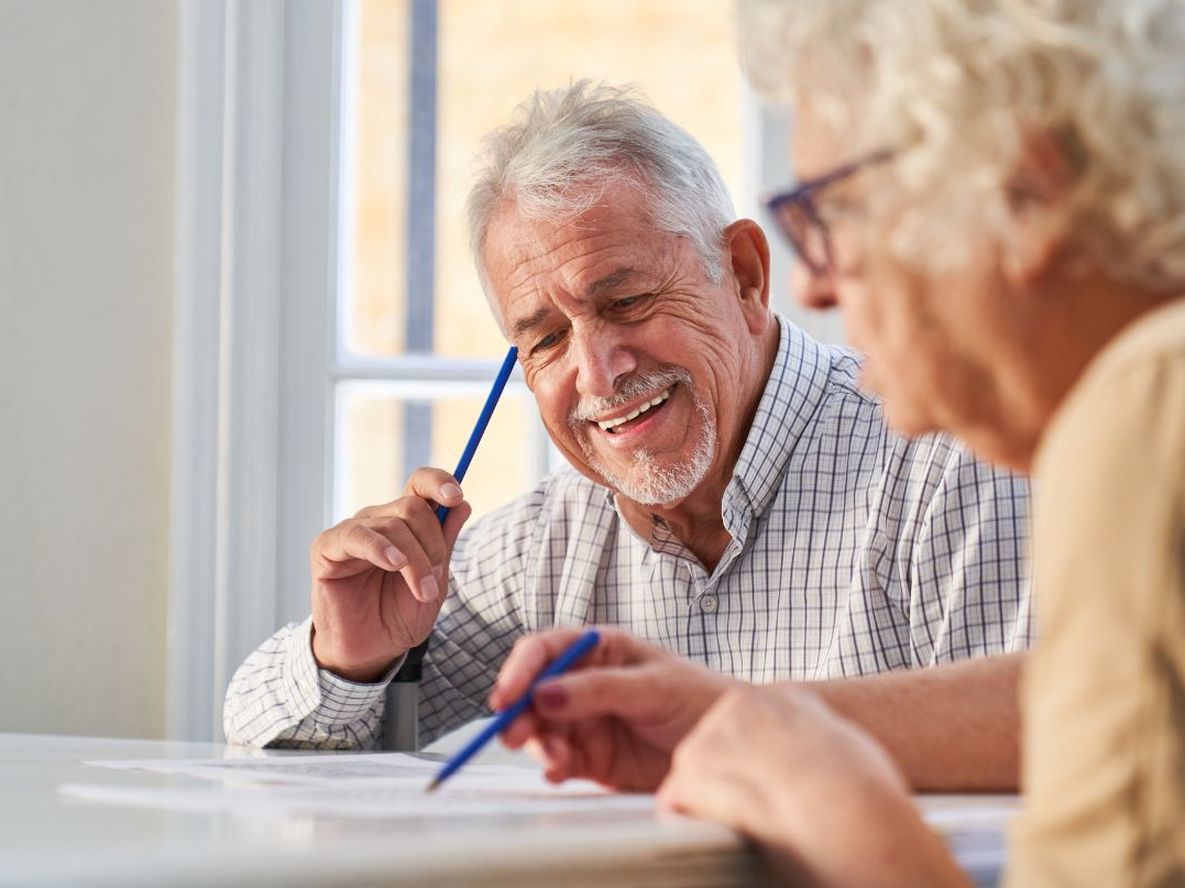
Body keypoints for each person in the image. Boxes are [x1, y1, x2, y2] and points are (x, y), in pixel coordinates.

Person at [501, 3, 1185, 884]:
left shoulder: (1143, 412)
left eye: (833, 211)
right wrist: (738, 716)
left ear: (1027, 190)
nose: (815, 287)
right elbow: (1090, 706)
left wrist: (837, 816)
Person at [223, 82, 1032, 792]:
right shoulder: (549, 541)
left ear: (745, 275)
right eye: (544, 340)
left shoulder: (949, 467)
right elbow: (260, 739)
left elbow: (1053, 760)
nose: (599, 373)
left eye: (627, 302)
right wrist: (350, 657)